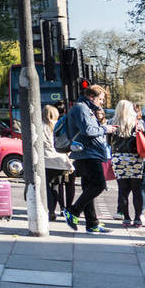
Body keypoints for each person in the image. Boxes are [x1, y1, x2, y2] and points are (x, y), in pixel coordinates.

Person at [64, 84, 111, 234]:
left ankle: (92, 224)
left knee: (88, 189)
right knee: (98, 185)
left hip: (87, 153)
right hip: (88, 154)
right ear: (92, 97)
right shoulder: (81, 108)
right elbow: (88, 130)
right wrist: (105, 129)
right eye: (100, 99)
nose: (102, 102)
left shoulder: (87, 108)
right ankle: (73, 211)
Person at [107, 101, 145, 228]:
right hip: (135, 158)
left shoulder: (111, 123)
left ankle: (126, 218)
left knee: (123, 190)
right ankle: (137, 218)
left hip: (119, 158)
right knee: (137, 190)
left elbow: (108, 142)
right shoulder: (137, 122)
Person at [41, 104, 74, 221]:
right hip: (60, 161)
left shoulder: (40, 127)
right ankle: (57, 209)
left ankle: (50, 211)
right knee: (56, 186)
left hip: (46, 161)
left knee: (48, 187)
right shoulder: (60, 126)